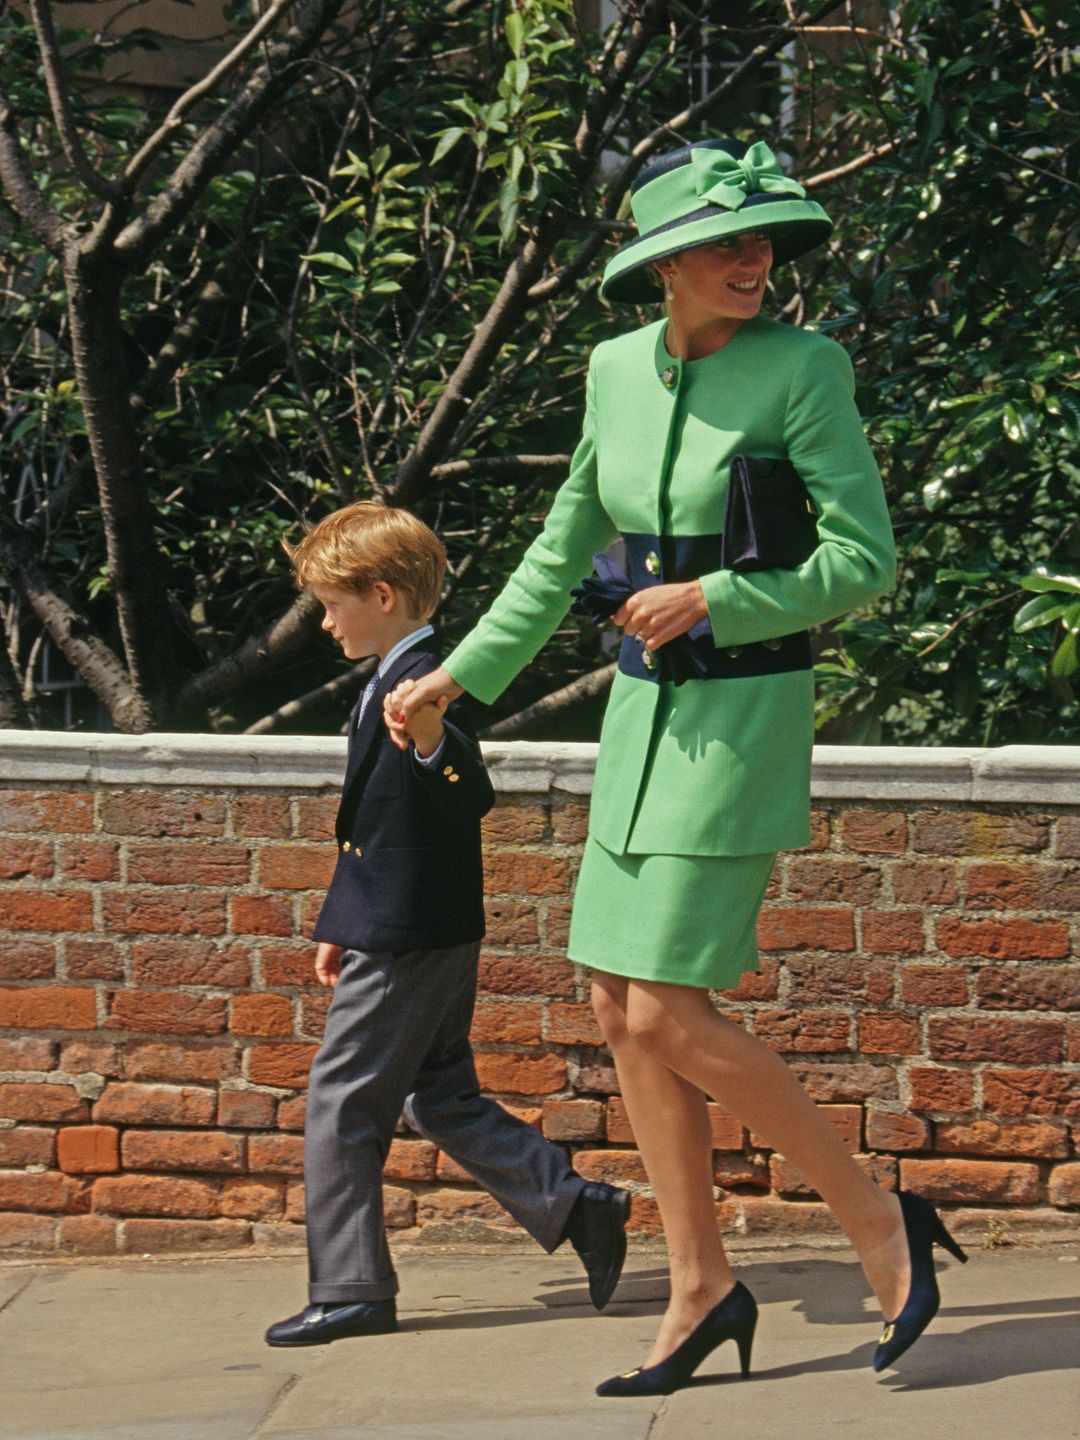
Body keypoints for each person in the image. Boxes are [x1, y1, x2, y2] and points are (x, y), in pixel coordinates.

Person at [388, 137, 967, 1393]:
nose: (753, 261)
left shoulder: (806, 369)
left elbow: (866, 563)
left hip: (745, 721)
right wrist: (461, 677)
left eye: (763, 241)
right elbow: (560, 550)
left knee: (665, 1008)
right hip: (640, 729)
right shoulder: (612, 372)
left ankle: (878, 1221)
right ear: (665, 264)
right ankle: (701, 1285)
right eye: (725, 242)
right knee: (615, 1005)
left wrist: (719, 594)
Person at [264, 501, 629, 1348]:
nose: (323, 623)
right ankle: (575, 1205)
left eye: (332, 604)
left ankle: (352, 1287)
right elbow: (377, 824)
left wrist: (432, 738)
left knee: (340, 1101)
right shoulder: (389, 675)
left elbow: (467, 789)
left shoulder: (425, 681)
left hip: (408, 936)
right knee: (438, 1096)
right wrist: (338, 919)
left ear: (383, 595)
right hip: (407, 920)